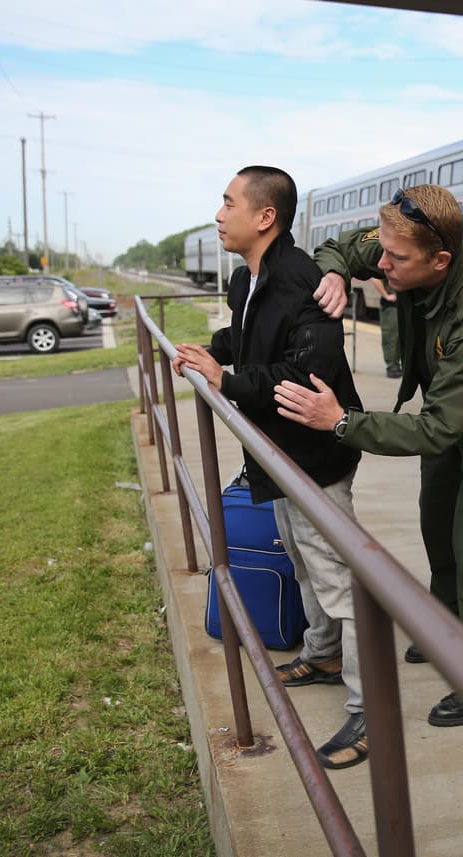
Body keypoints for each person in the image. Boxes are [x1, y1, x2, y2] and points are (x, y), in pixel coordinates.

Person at [273, 184, 463, 729]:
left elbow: (440, 429)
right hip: (445, 412)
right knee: (435, 529)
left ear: (440, 260)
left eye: (395, 260)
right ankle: (445, 630)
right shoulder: (404, 241)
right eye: (384, 253)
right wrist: (332, 274)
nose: (382, 265)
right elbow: (337, 248)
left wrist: (342, 422)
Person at [171, 165, 370, 770]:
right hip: (276, 452)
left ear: (265, 216)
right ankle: (323, 654)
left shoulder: (301, 283)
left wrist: (225, 379)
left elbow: (300, 376)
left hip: (314, 456)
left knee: (337, 577)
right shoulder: (247, 278)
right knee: (303, 560)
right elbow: (251, 336)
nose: (218, 213)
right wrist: (218, 351)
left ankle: (371, 709)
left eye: (228, 202)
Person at [372, 277, 403, 378]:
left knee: (400, 337)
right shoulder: (384, 262)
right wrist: (386, 295)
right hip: (391, 305)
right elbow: (374, 278)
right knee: (391, 337)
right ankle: (392, 367)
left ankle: (397, 366)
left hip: (403, 304)